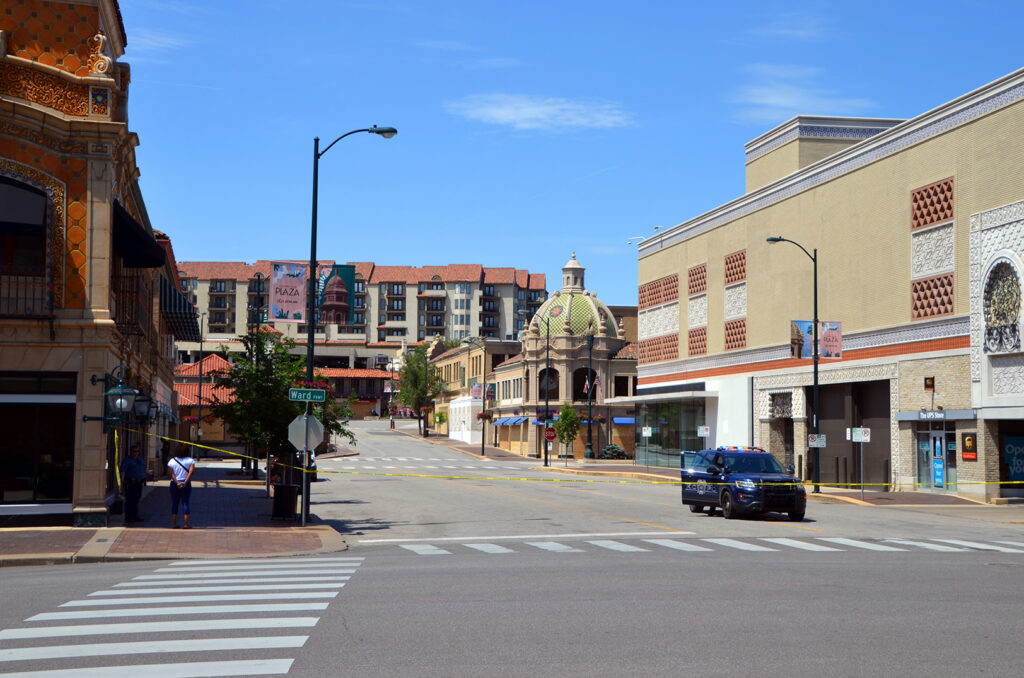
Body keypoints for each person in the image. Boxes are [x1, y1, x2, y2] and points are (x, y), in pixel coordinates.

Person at [167, 443, 196, 529]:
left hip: (174, 484)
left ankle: (174, 523)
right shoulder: (190, 460)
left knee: (175, 503)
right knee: (185, 503)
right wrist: (185, 482)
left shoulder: (172, 461)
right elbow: (191, 472)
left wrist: (177, 482)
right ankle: (186, 524)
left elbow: (171, 473)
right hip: (186, 483)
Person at [120, 443, 147, 523]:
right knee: (130, 500)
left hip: (139, 482)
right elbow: (123, 470)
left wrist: (148, 474)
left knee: (136, 499)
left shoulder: (140, 459)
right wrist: (122, 480)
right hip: (130, 482)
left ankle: (135, 516)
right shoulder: (127, 460)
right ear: (131, 452)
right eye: (134, 451)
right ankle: (128, 517)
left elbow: (144, 469)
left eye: (137, 451)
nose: (136, 453)